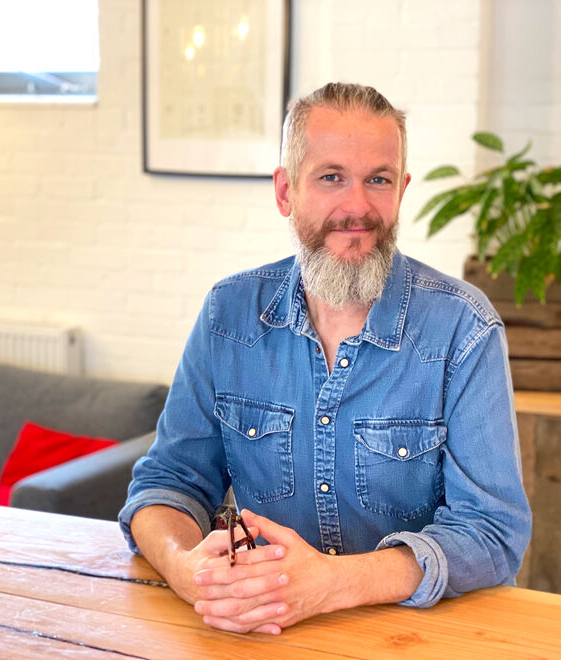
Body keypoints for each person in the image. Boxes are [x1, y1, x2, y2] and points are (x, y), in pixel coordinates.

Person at [119, 82, 531, 635]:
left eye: (378, 180)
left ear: (402, 191)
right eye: (331, 177)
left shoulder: (463, 327)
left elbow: (493, 533)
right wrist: (188, 570)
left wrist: (331, 584)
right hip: (265, 633)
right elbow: (168, 483)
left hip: (421, 638)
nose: (357, 207)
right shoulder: (229, 314)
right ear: (286, 191)